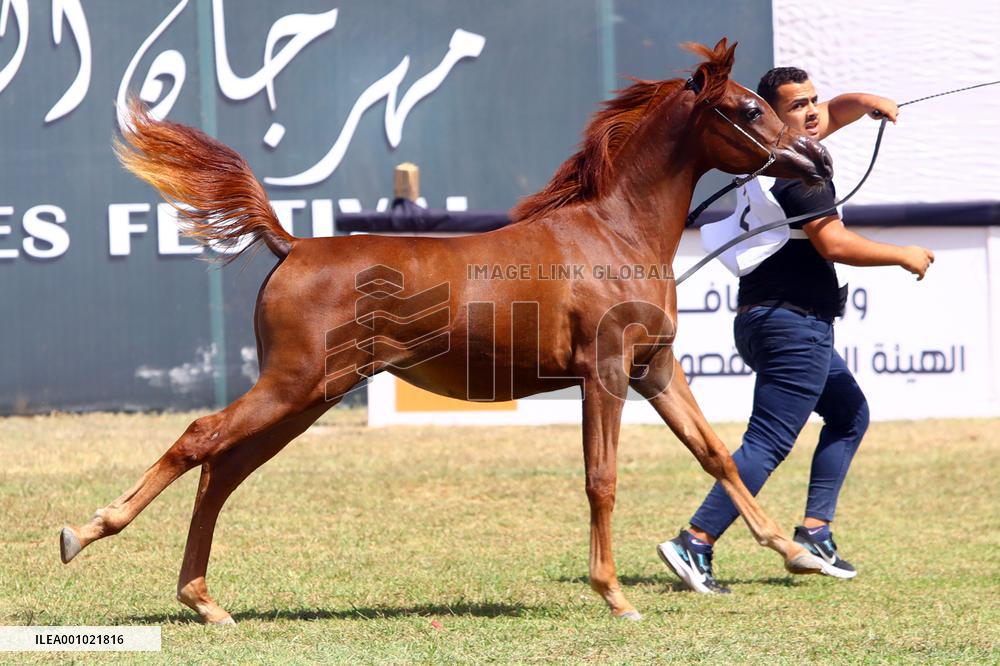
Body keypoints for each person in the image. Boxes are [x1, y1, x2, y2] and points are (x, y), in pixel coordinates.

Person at [658, 67, 935, 594]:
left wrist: (867, 99)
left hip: (768, 319)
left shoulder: (768, 158)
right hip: (793, 324)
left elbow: (834, 112)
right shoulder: (800, 175)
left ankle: (816, 531)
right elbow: (833, 244)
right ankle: (694, 540)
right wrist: (903, 254)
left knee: (849, 414)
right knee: (767, 441)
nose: (812, 112)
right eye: (797, 106)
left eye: (814, 100)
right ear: (771, 119)